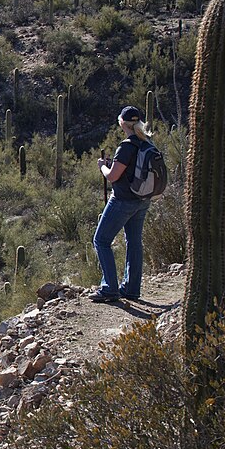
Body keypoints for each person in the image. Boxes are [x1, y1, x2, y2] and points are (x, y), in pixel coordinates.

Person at [90, 105, 153, 303]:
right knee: (134, 241)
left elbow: (113, 176)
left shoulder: (126, 146)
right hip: (142, 200)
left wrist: (103, 167)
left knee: (101, 240)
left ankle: (109, 288)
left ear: (122, 123)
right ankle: (132, 289)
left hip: (123, 200)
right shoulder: (147, 142)